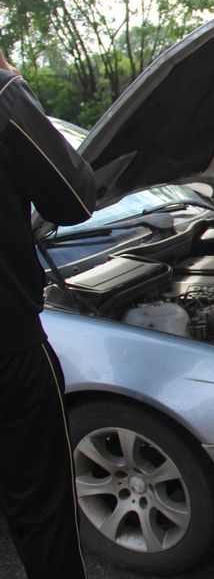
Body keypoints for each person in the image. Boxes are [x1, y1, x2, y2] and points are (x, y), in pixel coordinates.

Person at [0, 48, 96, 578]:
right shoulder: (1, 96)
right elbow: (74, 202)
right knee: (41, 512)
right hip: (8, 348)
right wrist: (13, 83)